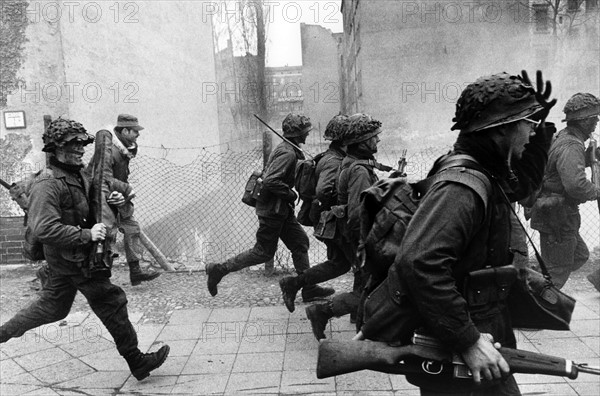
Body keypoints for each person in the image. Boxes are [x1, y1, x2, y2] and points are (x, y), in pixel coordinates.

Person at [359, 72, 555, 395]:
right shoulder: (463, 185)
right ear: (501, 129)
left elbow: (522, 186)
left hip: (474, 335)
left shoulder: (484, 168)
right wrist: (470, 340)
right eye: (527, 122)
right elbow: (419, 262)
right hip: (459, 344)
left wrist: (541, 132)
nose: (532, 129)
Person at [0, 117, 170, 381]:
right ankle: (137, 361)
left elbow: (93, 205)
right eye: (73, 145)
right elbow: (44, 229)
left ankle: (1, 334)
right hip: (74, 260)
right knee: (112, 301)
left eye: (82, 144)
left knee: (54, 308)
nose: (80, 149)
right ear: (56, 148)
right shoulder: (48, 183)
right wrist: (86, 234)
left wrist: (115, 200)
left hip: (70, 260)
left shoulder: (78, 173)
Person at [206, 113, 334, 301]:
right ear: (296, 134)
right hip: (273, 211)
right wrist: (291, 193)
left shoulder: (288, 149)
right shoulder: (287, 153)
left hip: (280, 211)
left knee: (300, 244)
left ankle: (309, 288)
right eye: (305, 132)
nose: (307, 135)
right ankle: (219, 270)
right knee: (263, 252)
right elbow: (270, 181)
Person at [302, 113, 386, 339]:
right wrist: (364, 243)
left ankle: (362, 327)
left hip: (353, 234)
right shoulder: (358, 170)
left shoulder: (353, 162)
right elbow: (358, 213)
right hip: (361, 236)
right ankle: (321, 312)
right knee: (372, 290)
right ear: (362, 142)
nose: (378, 141)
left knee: (367, 285)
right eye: (374, 137)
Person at [278, 114, 351, 313]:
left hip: (329, 220)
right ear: (345, 140)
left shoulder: (334, 157)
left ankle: (294, 284)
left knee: (340, 263)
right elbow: (322, 191)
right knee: (352, 263)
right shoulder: (334, 161)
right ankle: (356, 311)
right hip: (333, 221)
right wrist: (337, 207)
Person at [531, 93, 600, 290]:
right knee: (557, 271)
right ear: (584, 121)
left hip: (557, 213)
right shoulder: (571, 145)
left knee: (579, 255)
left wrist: (588, 158)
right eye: (594, 118)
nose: (596, 122)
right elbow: (575, 185)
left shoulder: (564, 137)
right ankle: (536, 305)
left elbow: (560, 169)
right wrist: (596, 191)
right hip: (558, 215)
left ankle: (530, 282)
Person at [101, 114, 160, 286]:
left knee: (132, 228)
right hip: (105, 200)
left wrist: (123, 193)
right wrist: (126, 189)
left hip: (120, 199)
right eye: (135, 131)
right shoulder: (110, 152)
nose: (138, 135)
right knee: (106, 238)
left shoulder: (123, 151)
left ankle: (136, 272)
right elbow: (103, 178)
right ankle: (100, 278)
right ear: (125, 130)